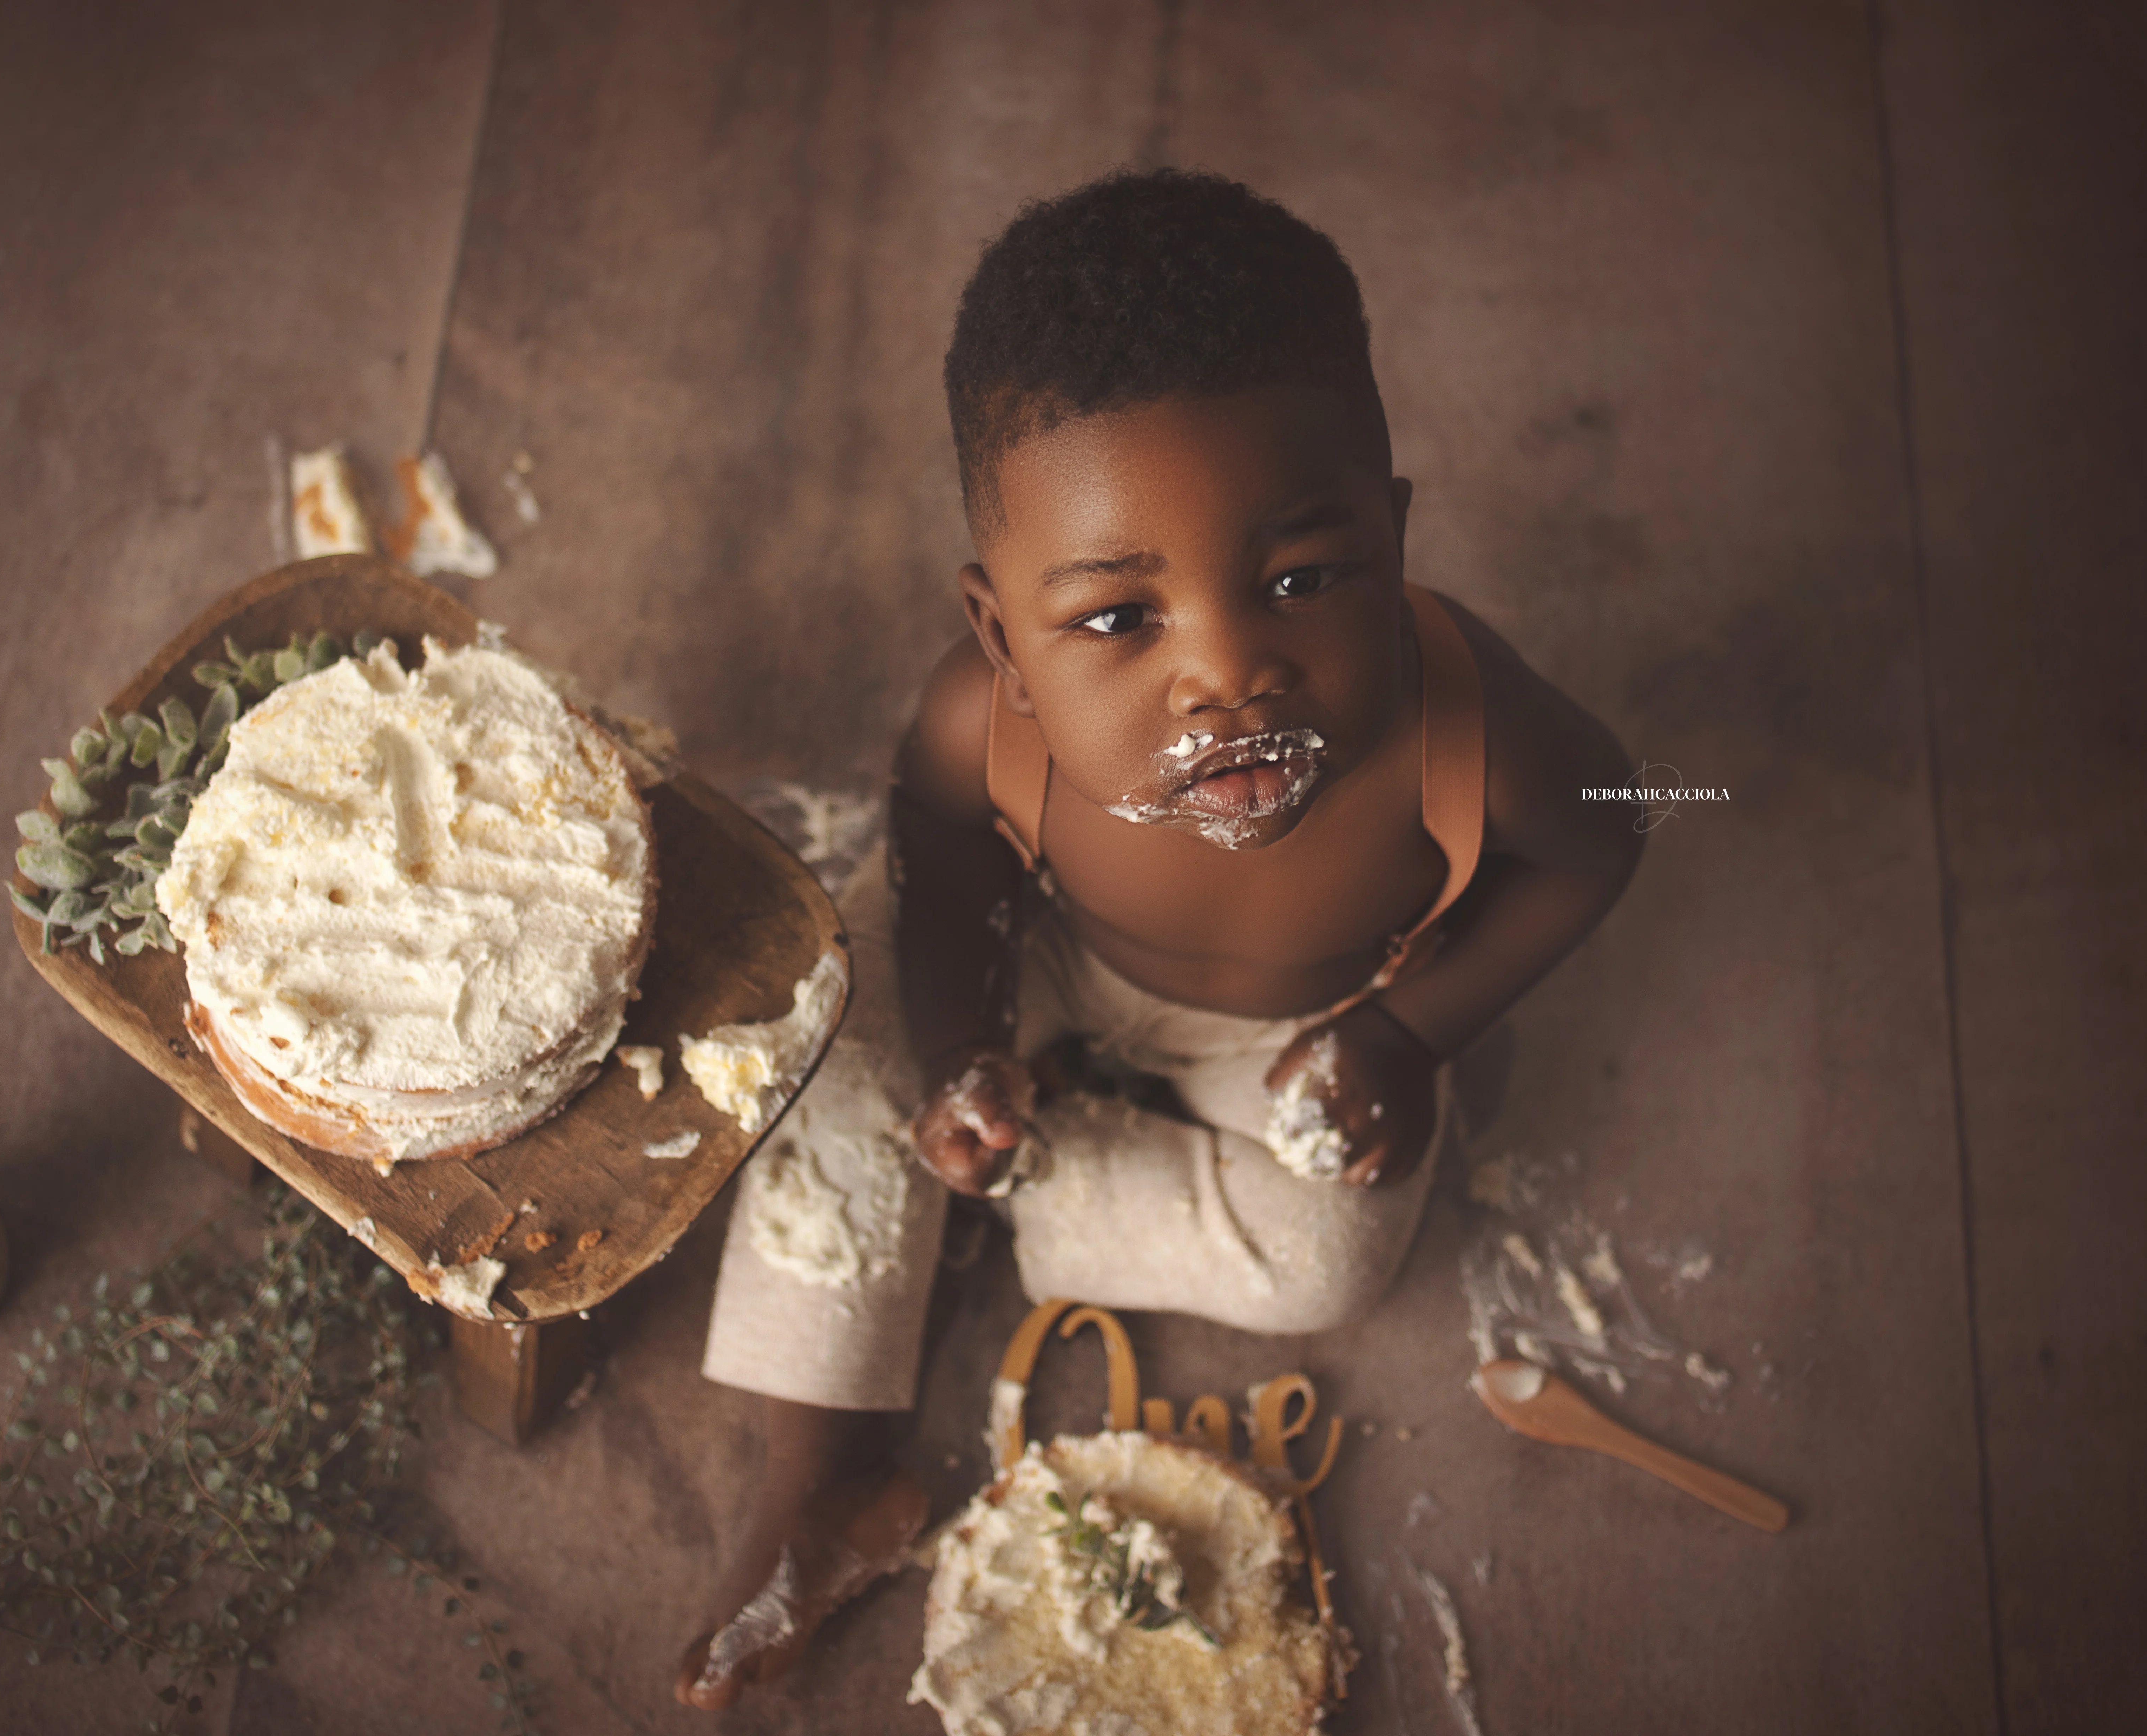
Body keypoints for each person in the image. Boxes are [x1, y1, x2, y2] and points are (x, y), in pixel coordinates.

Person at [675, 167, 1645, 1709]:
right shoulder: (974, 719)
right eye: (1120, 620)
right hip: (1047, 949)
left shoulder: (1473, 720)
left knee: (1334, 1255)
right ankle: (825, 1469)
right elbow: (939, 869)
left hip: (1303, 1025)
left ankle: (1022, 1184)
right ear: (1004, 635)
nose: (1229, 675)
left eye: (1304, 579)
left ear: (1394, 541)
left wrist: (1410, 1031)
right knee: (823, 1042)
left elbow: (1612, 832)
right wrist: (956, 1042)